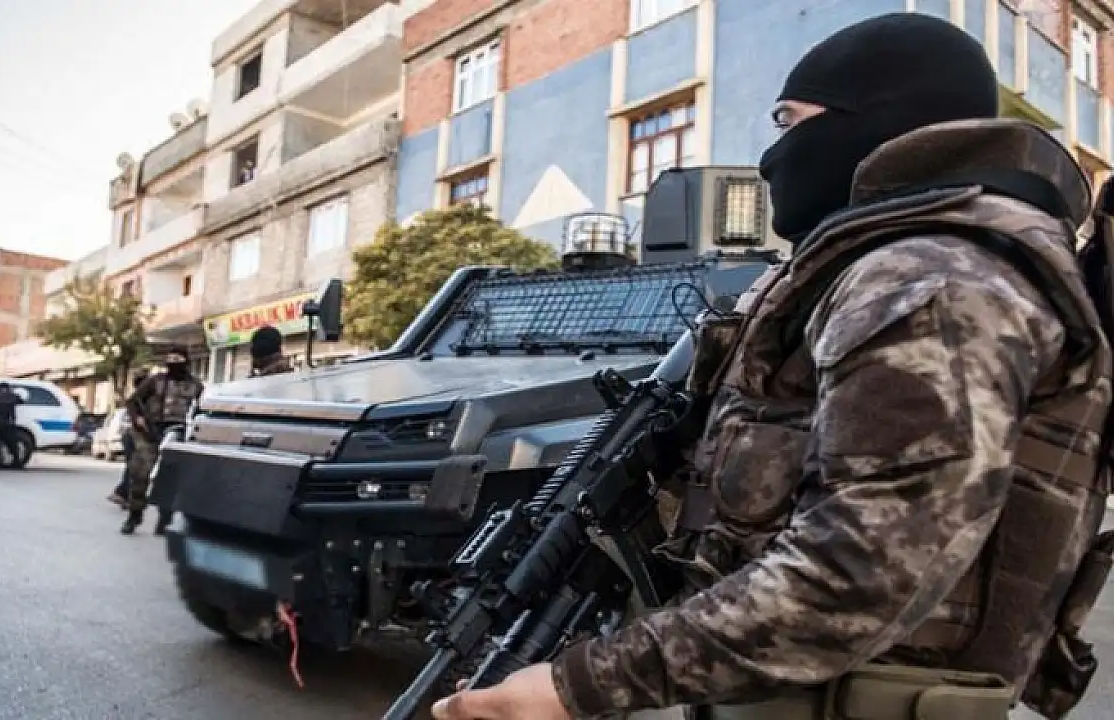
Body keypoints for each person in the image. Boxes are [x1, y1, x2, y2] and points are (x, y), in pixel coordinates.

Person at [431, 13, 1114, 720]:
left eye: (789, 121)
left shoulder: (931, 281)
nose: (771, 157)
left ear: (876, 121)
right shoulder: (877, 268)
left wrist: (578, 686)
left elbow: (858, 574)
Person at [122, 346, 203, 535]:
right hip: (150, 433)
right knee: (140, 473)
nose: (173, 363)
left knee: (170, 479)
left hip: (178, 436)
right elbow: (133, 401)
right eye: (170, 359)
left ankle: (165, 519)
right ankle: (134, 515)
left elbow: (201, 410)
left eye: (177, 359)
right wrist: (138, 419)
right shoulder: (155, 381)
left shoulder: (196, 386)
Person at [107, 368, 150, 509]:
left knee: (133, 466)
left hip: (129, 435)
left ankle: (124, 495)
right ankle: (124, 494)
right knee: (136, 467)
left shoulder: (136, 398)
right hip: (136, 436)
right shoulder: (143, 399)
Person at [0, 382, 23, 467]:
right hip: (8, 422)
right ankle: (16, 462)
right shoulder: (13, 396)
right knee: (12, 442)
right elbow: (20, 401)